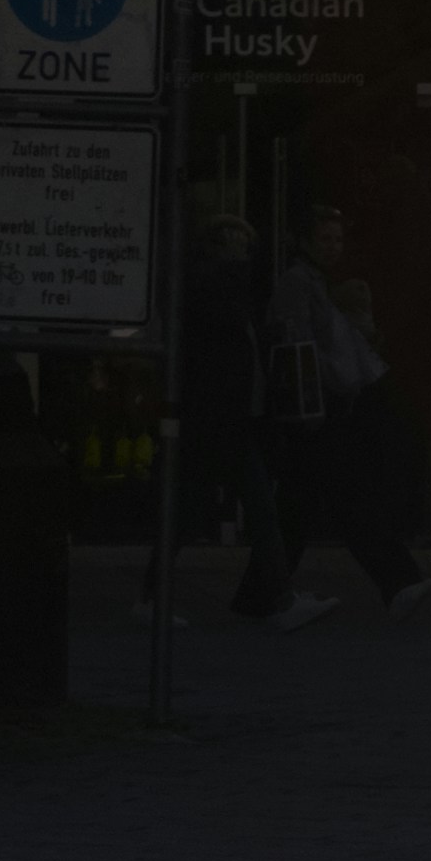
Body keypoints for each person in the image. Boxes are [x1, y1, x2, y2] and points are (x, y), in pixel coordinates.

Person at [267, 206, 430, 617]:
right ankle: (399, 581)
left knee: (302, 506)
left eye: (338, 240)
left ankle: (264, 593)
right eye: (325, 239)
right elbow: (297, 345)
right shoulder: (298, 282)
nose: (334, 247)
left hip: (326, 407)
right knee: (344, 499)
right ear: (304, 241)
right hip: (318, 408)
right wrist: (321, 391)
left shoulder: (321, 283)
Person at [177, 213, 326, 627]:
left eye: (246, 245)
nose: (244, 254)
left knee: (189, 508)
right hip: (223, 416)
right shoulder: (213, 288)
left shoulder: (231, 294)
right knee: (260, 507)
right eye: (237, 245)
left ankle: (152, 593)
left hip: (232, 415)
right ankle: (279, 599)